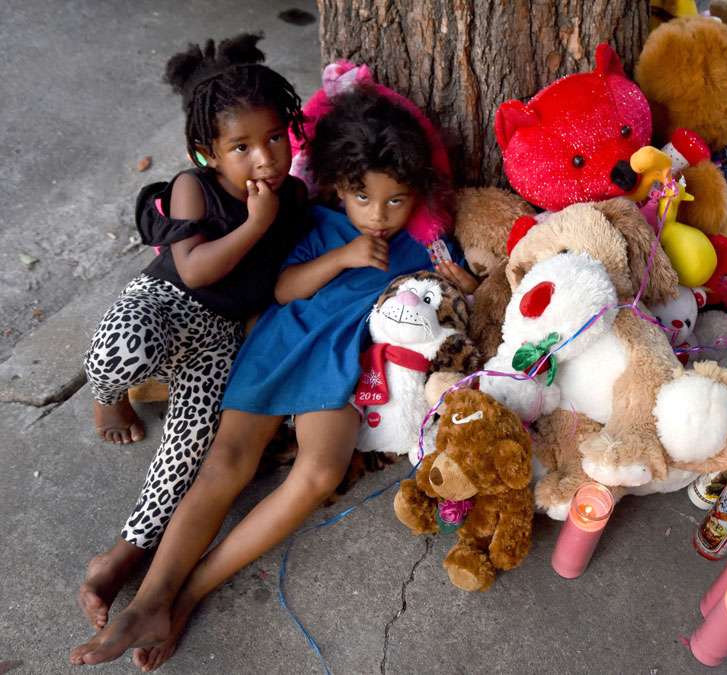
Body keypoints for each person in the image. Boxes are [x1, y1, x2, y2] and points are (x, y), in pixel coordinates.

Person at [70, 85, 479, 670]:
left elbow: (450, 297)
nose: (379, 215)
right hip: (283, 347)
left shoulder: (424, 245)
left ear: (417, 196)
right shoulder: (318, 221)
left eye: (396, 200)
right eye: (363, 196)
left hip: (341, 369)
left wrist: (460, 284)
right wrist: (343, 255)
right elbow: (284, 288)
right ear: (340, 185)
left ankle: (188, 593)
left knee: (318, 474)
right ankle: (151, 598)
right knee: (226, 465)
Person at [76, 32, 310, 632]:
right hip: (167, 304)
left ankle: (124, 553)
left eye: (275, 138)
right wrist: (257, 223)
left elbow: (281, 277)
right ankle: (107, 398)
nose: (265, 158)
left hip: (219, 337)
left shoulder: (295, 197)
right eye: (241, 147)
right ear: (207, 151)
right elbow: (196, 268)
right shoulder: (193, 187)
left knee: (189, 451)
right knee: (124, 345)